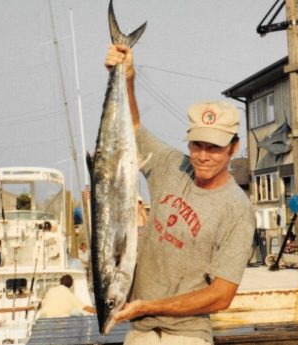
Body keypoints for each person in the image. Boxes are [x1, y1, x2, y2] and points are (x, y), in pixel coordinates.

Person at [105, 44, 256, 344]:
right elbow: (132, 130)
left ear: (234, 147)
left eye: (214, 147)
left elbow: (221, 296)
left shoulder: (238, 209)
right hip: (139, 331)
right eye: (197, 144)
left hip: (187, 335)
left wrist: (150, 306)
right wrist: (128, 77)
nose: (203, 156)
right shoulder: (171, 165)